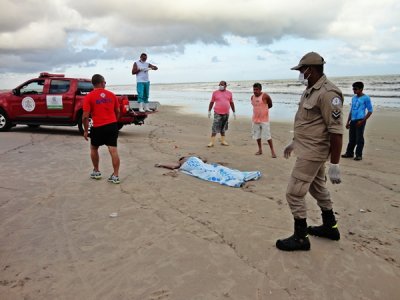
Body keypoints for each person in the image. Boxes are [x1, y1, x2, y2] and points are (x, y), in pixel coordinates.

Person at [276, 52, 344, 251]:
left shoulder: (329, 94)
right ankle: (331, 227)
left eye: (301, 70)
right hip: (305, 148)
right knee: (317, 189)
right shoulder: (310, 90)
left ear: (311, 70)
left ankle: (300, 237)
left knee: (294, 193)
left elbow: (336, 131)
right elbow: (309, 123)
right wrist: (294, 142)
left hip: (313, 153)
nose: (300, 73)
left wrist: (335, 164)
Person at [82, 74, 121, 184]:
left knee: (94, 148)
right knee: (113, 150)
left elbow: (85, 116)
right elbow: (117, 111)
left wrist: (85, 130)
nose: (105, 84)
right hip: (112, 125)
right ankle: (116, 176)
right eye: (104, 82)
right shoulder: (112, 95)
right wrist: (114, 122)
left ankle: (97, 171)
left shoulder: (89, 97)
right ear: (101, 82)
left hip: (98, 127)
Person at [155, 156, 261, 188]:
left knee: (217, 171)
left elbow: (204, 160)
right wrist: (162, 164)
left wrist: (162, 164)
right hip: (202, 167)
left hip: (202, 167)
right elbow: (174, 165)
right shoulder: (185, 162)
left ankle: (238, 180)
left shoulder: (190, 160)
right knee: (218, 171)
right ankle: (239, 179)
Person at [341, 82, 373, 161]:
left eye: (355, 89)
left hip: (360, 120)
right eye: (353, 88)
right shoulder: (354, 98)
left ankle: (359, 155)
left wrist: (362, 121)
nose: (354, 90)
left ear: (361, 89)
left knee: (359, 138)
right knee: (352, 138)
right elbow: (351, 110)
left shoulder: (366, 98)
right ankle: (349, 153)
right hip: (353, 120)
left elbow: (370, 111)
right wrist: (348, 121)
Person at [251, 82, 277, 157]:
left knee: (268, 136)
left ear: (260, 89)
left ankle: (272, 151)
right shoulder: (252, 97)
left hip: (264, 120)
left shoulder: (265, 96)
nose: (255, 91)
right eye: (254, 89)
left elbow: (270, 104)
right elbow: (254, 106)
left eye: (257, 89)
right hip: (255, 120)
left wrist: (264, 110)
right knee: (257, 136)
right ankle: (260, 150)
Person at [207, 81, 236, 147]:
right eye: (219, 85)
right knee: (215, 126)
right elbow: (212, 102)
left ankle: (223, 141)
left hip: (226, 113)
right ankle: (211, 142)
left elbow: (231, 103)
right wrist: (209, 111)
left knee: (223, 127)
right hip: (217, 112)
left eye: (222, 85)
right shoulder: (215, 93)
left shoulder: (229, 93)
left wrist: (234, 112)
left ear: (225, 86)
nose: (220, 86)